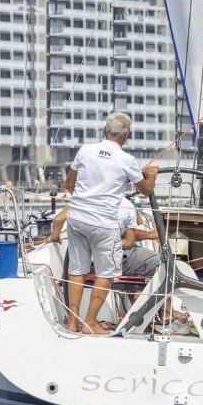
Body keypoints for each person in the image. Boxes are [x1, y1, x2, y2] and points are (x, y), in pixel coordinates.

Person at [63, 112, 158, 334]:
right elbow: (145, 190)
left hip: (77, 218)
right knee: (105, 273)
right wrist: (151, 174)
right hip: (103, 224)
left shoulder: (85, 150)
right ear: (127, 136)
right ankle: (90, 323)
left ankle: (72, 322)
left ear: (103, 131)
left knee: (76, 270)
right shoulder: (127, 160)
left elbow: (69, 185)